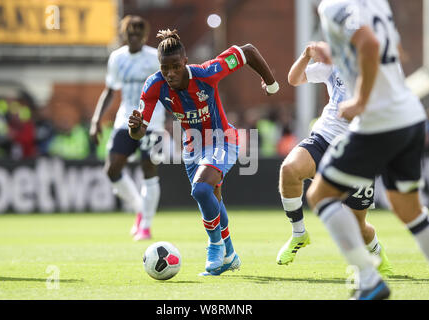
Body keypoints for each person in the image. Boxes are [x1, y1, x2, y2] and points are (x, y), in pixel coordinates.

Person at [129, 29, 279, 275]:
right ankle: (229, 255)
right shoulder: (154, 85)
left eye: (175, 66)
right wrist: (134, 128)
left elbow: (248, 51)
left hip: (222, 140)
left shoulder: (208, 72)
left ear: (185, 62)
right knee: (212, 199)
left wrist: (271, 84)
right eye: (165, 68)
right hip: (192, 147)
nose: (170, 73)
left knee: (201, 189)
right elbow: (139, 131)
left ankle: (215, 245)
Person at [306, 0, 429, 300]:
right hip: (410, 115)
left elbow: (370, 43)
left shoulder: (333, 6)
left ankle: (369, 278)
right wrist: (337, 54)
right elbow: (394, 51)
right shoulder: (376, 2)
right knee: (409, 210)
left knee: (320, 195)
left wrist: (361, 100)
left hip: (379, 120)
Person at [277, 41, 392, 277]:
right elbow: (294, 79)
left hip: (359, 152)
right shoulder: (335, 62)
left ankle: (377, 252)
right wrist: (306, 54)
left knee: (357, 227)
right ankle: (299, 233)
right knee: (289, 169)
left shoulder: (382, 71)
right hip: (325, 136)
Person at [90, 15, 166, 241]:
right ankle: (140, 210)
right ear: (124, 35)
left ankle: (146, 226)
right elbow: (110, 90)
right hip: (125, 120)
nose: (134, 37)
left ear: (145, 36)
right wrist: (96, 120)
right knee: (112, 169)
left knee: (149, 171)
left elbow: (170, 87)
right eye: (130, 33)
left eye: (138, 33)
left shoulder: (155, 58)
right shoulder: (116, 58)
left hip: (153, 122)